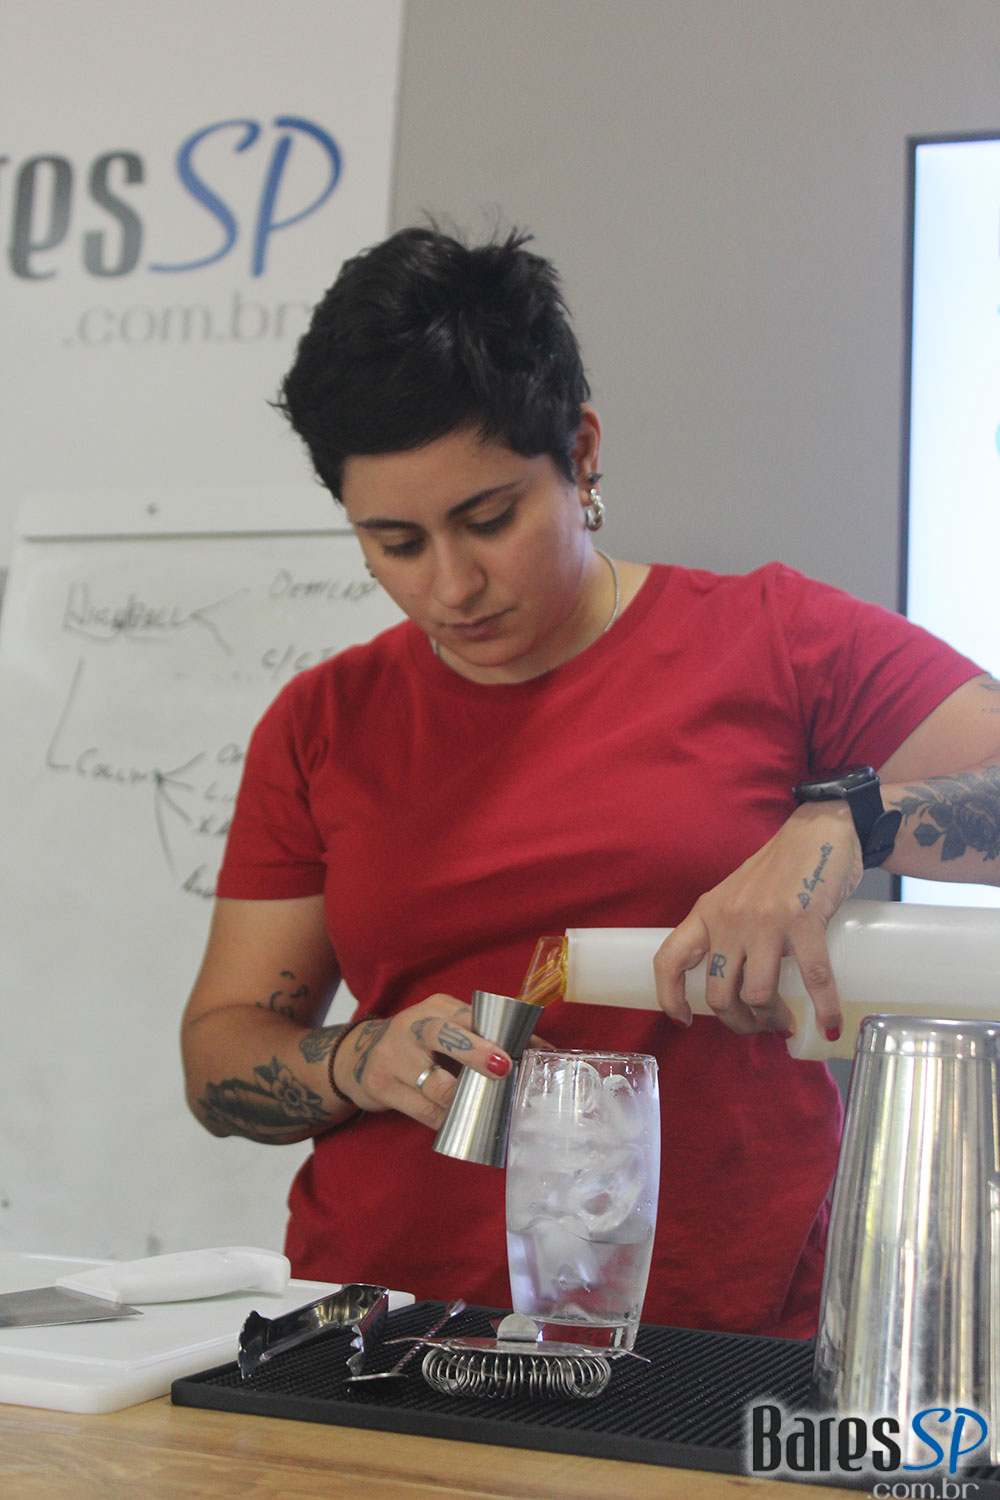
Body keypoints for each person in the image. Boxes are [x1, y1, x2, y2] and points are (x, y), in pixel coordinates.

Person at [181, 224, 1000, 1338]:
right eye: (396, 543)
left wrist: (848, 820)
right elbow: (221, 1052)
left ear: (581, 451)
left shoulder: (772, 642)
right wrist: (356, 1059)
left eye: (488, 521)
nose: (451, 587)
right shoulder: (325, 722)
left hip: (711, 1329)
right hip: (384, 1327)